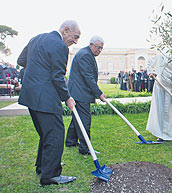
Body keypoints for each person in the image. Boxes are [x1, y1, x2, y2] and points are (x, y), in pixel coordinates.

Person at [17, 20, 80, 185]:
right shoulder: (60, 46)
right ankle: (51, 174)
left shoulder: (35, 39)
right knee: (56, 133)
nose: (75, 41)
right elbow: (57, 76)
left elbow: (21, 60)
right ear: (66, 30)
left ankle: (43, 166)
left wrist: (37, 69)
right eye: (75, 37)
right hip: (45, 98)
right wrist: (67, 97)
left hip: (30, 97)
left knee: (46, 133)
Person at [66, 36, 106, 155]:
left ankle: (70, 141)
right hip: (80, 92)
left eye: (101, 48)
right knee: (84, 120)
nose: (99, 50)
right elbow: (88, 77)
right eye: (98, 47)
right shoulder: (85, 55)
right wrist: (99, 93)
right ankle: (85, 148)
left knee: (77, 118)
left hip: (78, 91)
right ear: (91, 45)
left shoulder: (86, 53)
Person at [146, 51, 172, 142]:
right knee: (162, 112)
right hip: (161, 89)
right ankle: (161, 135)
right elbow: (149, 61)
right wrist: (151, 72)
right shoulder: (161, 57)